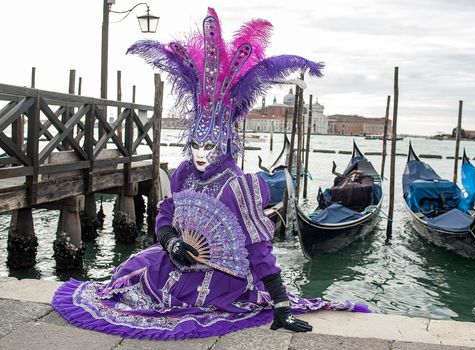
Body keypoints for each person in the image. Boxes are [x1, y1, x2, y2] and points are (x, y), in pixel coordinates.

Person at [52, 8, 370, 340]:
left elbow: (258, 248)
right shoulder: (184, 175)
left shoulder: (238, 185)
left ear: (225, 143)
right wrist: (172, 242)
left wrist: (280, 305)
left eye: (210, 147)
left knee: (173, 291)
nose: (202, 155)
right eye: (196, 146)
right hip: (182, 259)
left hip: (223, 277)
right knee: (133, 270)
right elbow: (165, 214)